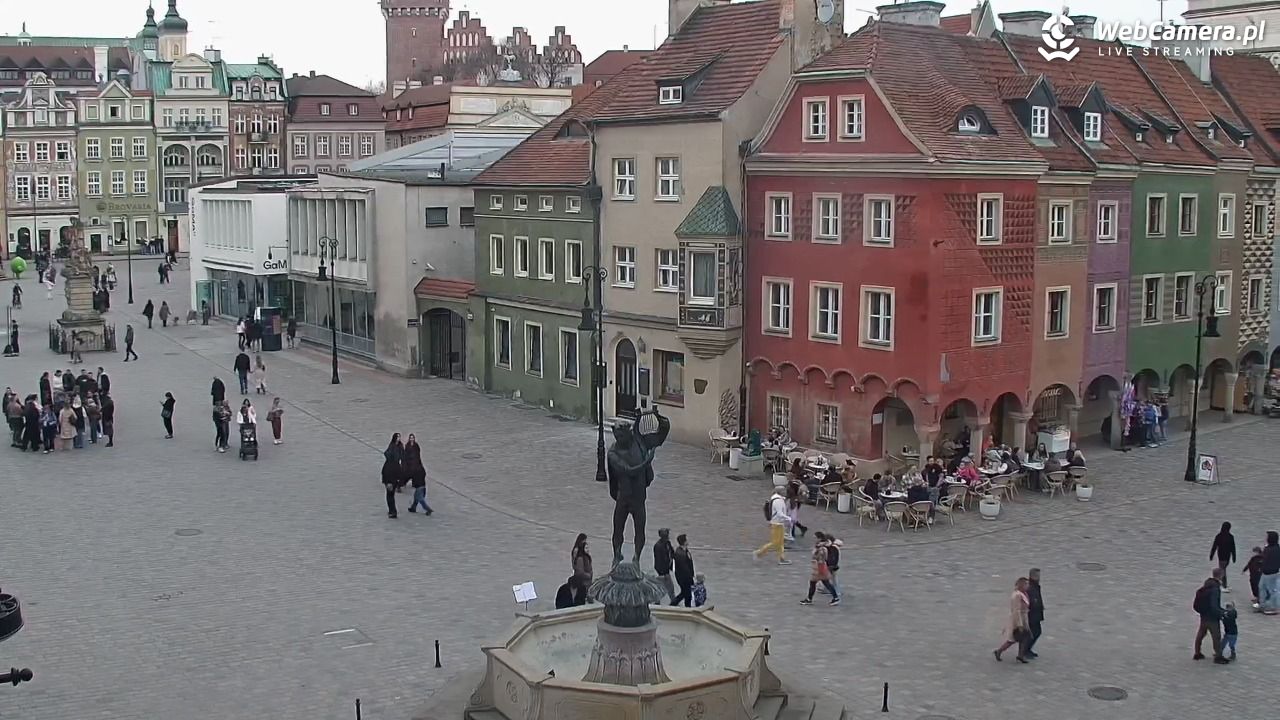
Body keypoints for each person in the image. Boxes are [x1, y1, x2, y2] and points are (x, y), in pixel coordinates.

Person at [993, 577, 1031, 663]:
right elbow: (1016, 611)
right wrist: (1020, 624)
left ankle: (1020, 655)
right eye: (1026, 584)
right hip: (1017, 620)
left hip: (1023, 618)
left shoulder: (1023, 593)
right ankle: (999, 651)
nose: (1028, 586)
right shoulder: (1017, 595)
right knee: (1013, 639)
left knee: (1024, 637)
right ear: (1022, 585)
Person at [1193, 570, 1228, 663]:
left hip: (1203, 615)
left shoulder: (1206, 585)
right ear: (1220, 576)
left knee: (1201, 634)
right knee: (1216, 636)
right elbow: (1214, 605)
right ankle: (1218, 656)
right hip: (1211, 617)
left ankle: (1197, 653)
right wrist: (1221, 613)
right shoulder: (1215, 589)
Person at [799, 535, 839, 606]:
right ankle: (835, 597)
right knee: (825, 583)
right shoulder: (822, 549)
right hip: (820, 568)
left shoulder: (821, 550)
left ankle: (809, 599)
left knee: (814, 583)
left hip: (819, 569)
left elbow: (820, 560)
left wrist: (820, 571)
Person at [754, 490, 791, 564]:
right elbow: (780, 513)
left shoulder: (777, 499)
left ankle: (781, 558)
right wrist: (788, 518)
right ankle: (759, 553)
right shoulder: (778, 501)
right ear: (781, 492)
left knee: (780, 543)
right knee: (775, 542)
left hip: (778, 523)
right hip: (777, 524)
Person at [405, 434, 433, 515]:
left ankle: (428, 509)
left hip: (419, 485)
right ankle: (413, 508)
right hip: (422, 484)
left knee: (419, 497)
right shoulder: (421, 467)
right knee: (416, 497)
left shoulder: (414, 469)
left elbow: (410, 475)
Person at [1210, 522, 1237, 593]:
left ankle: (1223, 585)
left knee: (1222, 569)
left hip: (1221, 555)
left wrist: (1211, 555)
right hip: (1227, 556)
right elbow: (1233, 548)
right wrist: (1234, 557)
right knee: (1223, 570)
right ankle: (1223, 585)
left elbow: (1214, 546)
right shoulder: (1231, 536)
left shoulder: (1219, 536)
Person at [381, 434, 403, 518]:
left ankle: (392, 511)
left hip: (392, 480)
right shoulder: (392, 448)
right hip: (391, 479)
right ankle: (392, 511)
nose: (399, 439)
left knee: (390, 496)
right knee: (390, 495)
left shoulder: (395, 464)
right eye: (397, 437)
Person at [671, 533, 695, 607]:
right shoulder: (680, 553)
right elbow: (684, 568)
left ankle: (674, 604)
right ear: (684, 542)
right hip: (683, 578)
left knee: (685, 593)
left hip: (685, 577)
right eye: (686, 540)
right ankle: (685, 607)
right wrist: (690, 578)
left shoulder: (684, 551)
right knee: (687, 594)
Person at [653, 528, 677, 603]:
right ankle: (673, 601)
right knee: (667, 587)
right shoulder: (658, 546)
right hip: (662, 571)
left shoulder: (667, 543)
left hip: (667, 569)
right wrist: (663, 573)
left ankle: (672, 600)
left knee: (665, 587)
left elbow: (671, 553)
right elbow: (659, 560)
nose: (668, 536)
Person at [1025, 568, 1045, 658]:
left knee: (1036, 632)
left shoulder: (1035, 586)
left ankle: (1026, 650)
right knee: (1035, 632)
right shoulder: (1031, 587)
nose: (1039, 577)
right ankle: (1025, 650)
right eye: (1037, 575)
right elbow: (1033, 601)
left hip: (1036, 614)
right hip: (1032, 615)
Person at [1260, 530, 1280, 615]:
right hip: (1266, 572)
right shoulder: (1273, 548)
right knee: (1261, 587)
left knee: (1272, 590)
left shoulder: (1272, 549)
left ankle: (1274, 607)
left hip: (1271, 573)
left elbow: (1265, 559)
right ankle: (1263, 604)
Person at [571, 534, 593, 606]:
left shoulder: (586, 557)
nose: (588, 549)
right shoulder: (579, 557)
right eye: (586, 548)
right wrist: (588, 575)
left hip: (587, 581)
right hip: (583, 581)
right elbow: (580, 570)